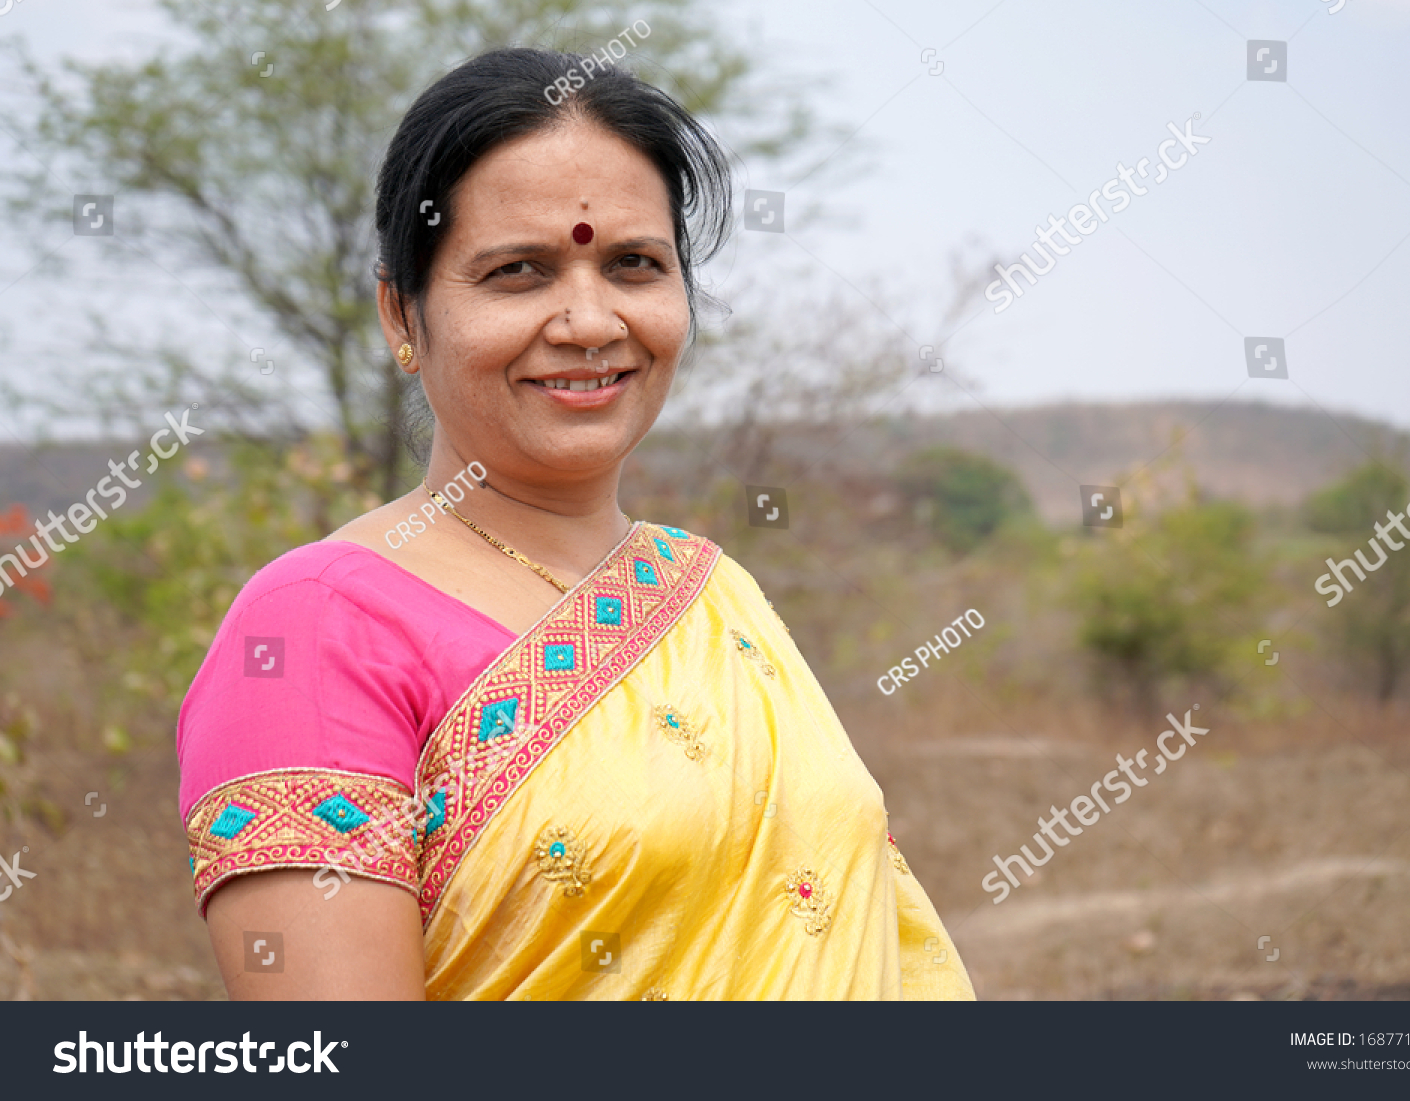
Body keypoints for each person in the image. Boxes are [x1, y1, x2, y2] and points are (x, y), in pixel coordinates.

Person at [177, 46, 972, 1000]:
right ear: (402, 312)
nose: (590, 321)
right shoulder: (315, 623)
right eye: (520, 272)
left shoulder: (717, 593)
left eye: (635, 265)